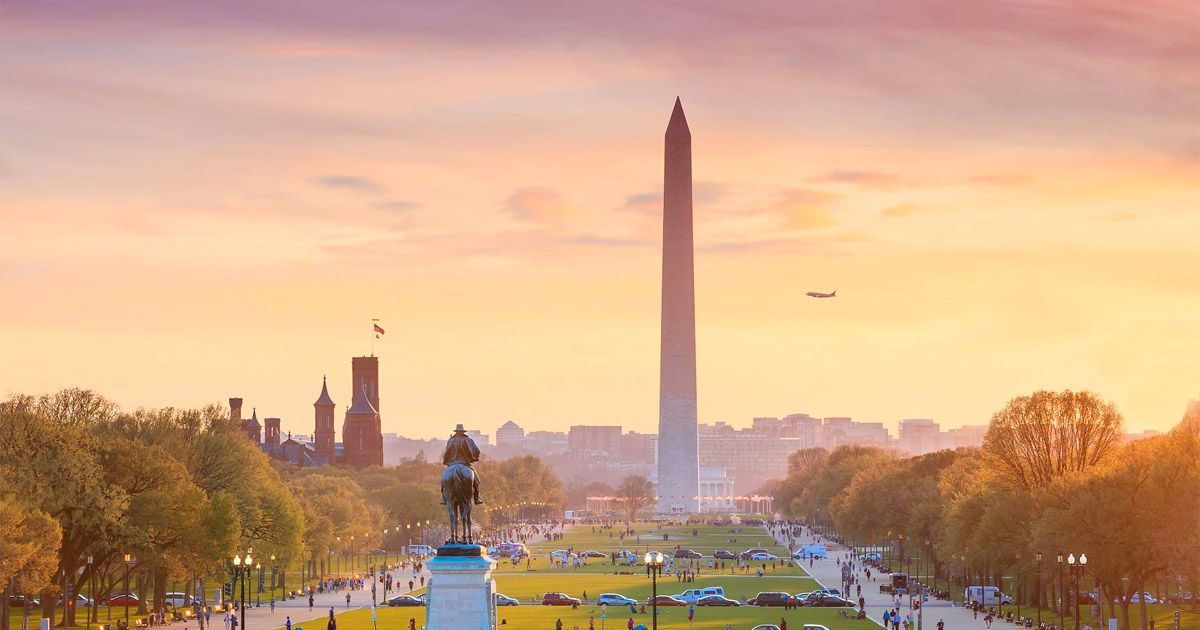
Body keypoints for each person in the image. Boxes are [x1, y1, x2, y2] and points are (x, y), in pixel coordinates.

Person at [440, 424, 484, 505]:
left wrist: (446, 461)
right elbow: (477, 451)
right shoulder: (468, 440)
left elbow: (446, 452)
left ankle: (443, 498)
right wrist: (473, 457)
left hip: (452, 463)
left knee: (443, 479)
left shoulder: (451, 440)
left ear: (456, 432)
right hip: (465, 463)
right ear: (463, 432)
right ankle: (477, 497)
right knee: (477, 480)